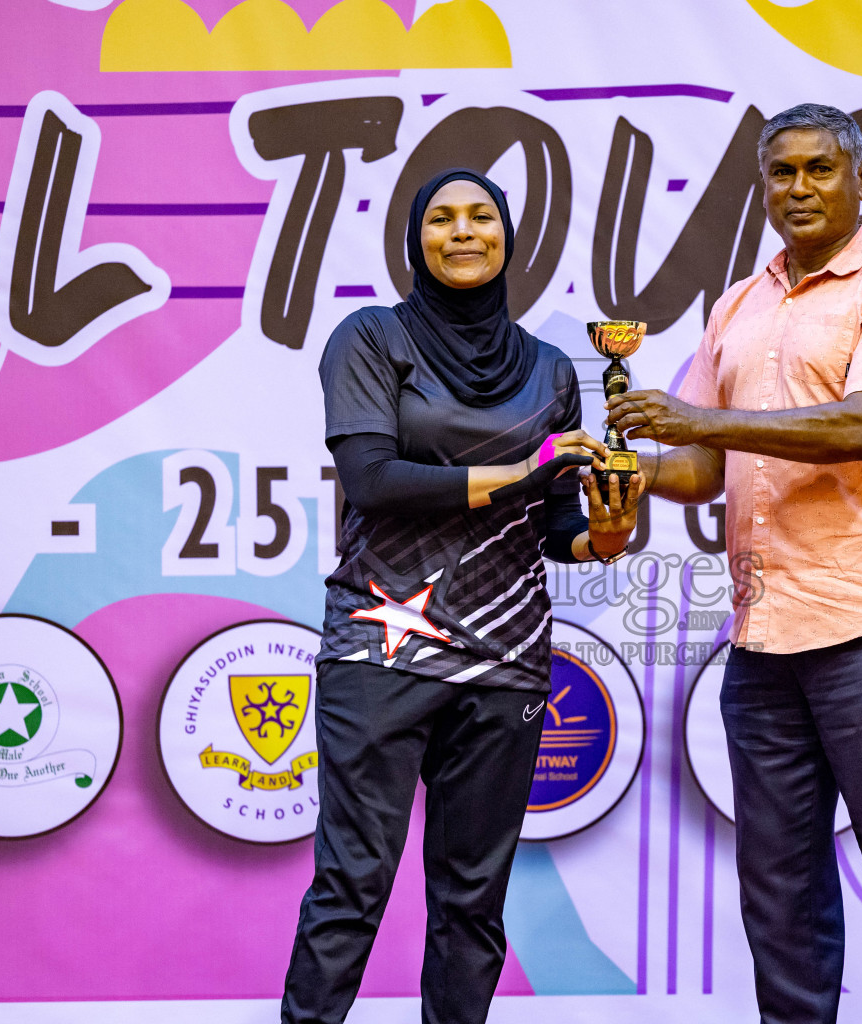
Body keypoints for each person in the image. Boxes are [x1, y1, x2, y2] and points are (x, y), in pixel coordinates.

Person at [601, 104, 862, 1023]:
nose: (799, 188)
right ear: (762, 185)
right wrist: (626, 470)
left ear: (861, 179)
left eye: (819, 169)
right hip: (761, 639)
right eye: (781, 173)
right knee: (779, 901)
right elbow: (697, 466)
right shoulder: (739, 302)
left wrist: (698, 424)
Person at [282, 168, 643, 1024]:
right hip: (382, 649)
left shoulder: (553, 370)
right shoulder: (371, 339)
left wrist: (608, 533)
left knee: (472, 903)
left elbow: (555, 528)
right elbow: (371, 480)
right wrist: (520, 468)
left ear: (509, 235)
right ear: (415, 238)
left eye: (482, 216)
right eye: (441, 218)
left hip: (507, 660)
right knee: (352, 886)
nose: (463, 232)